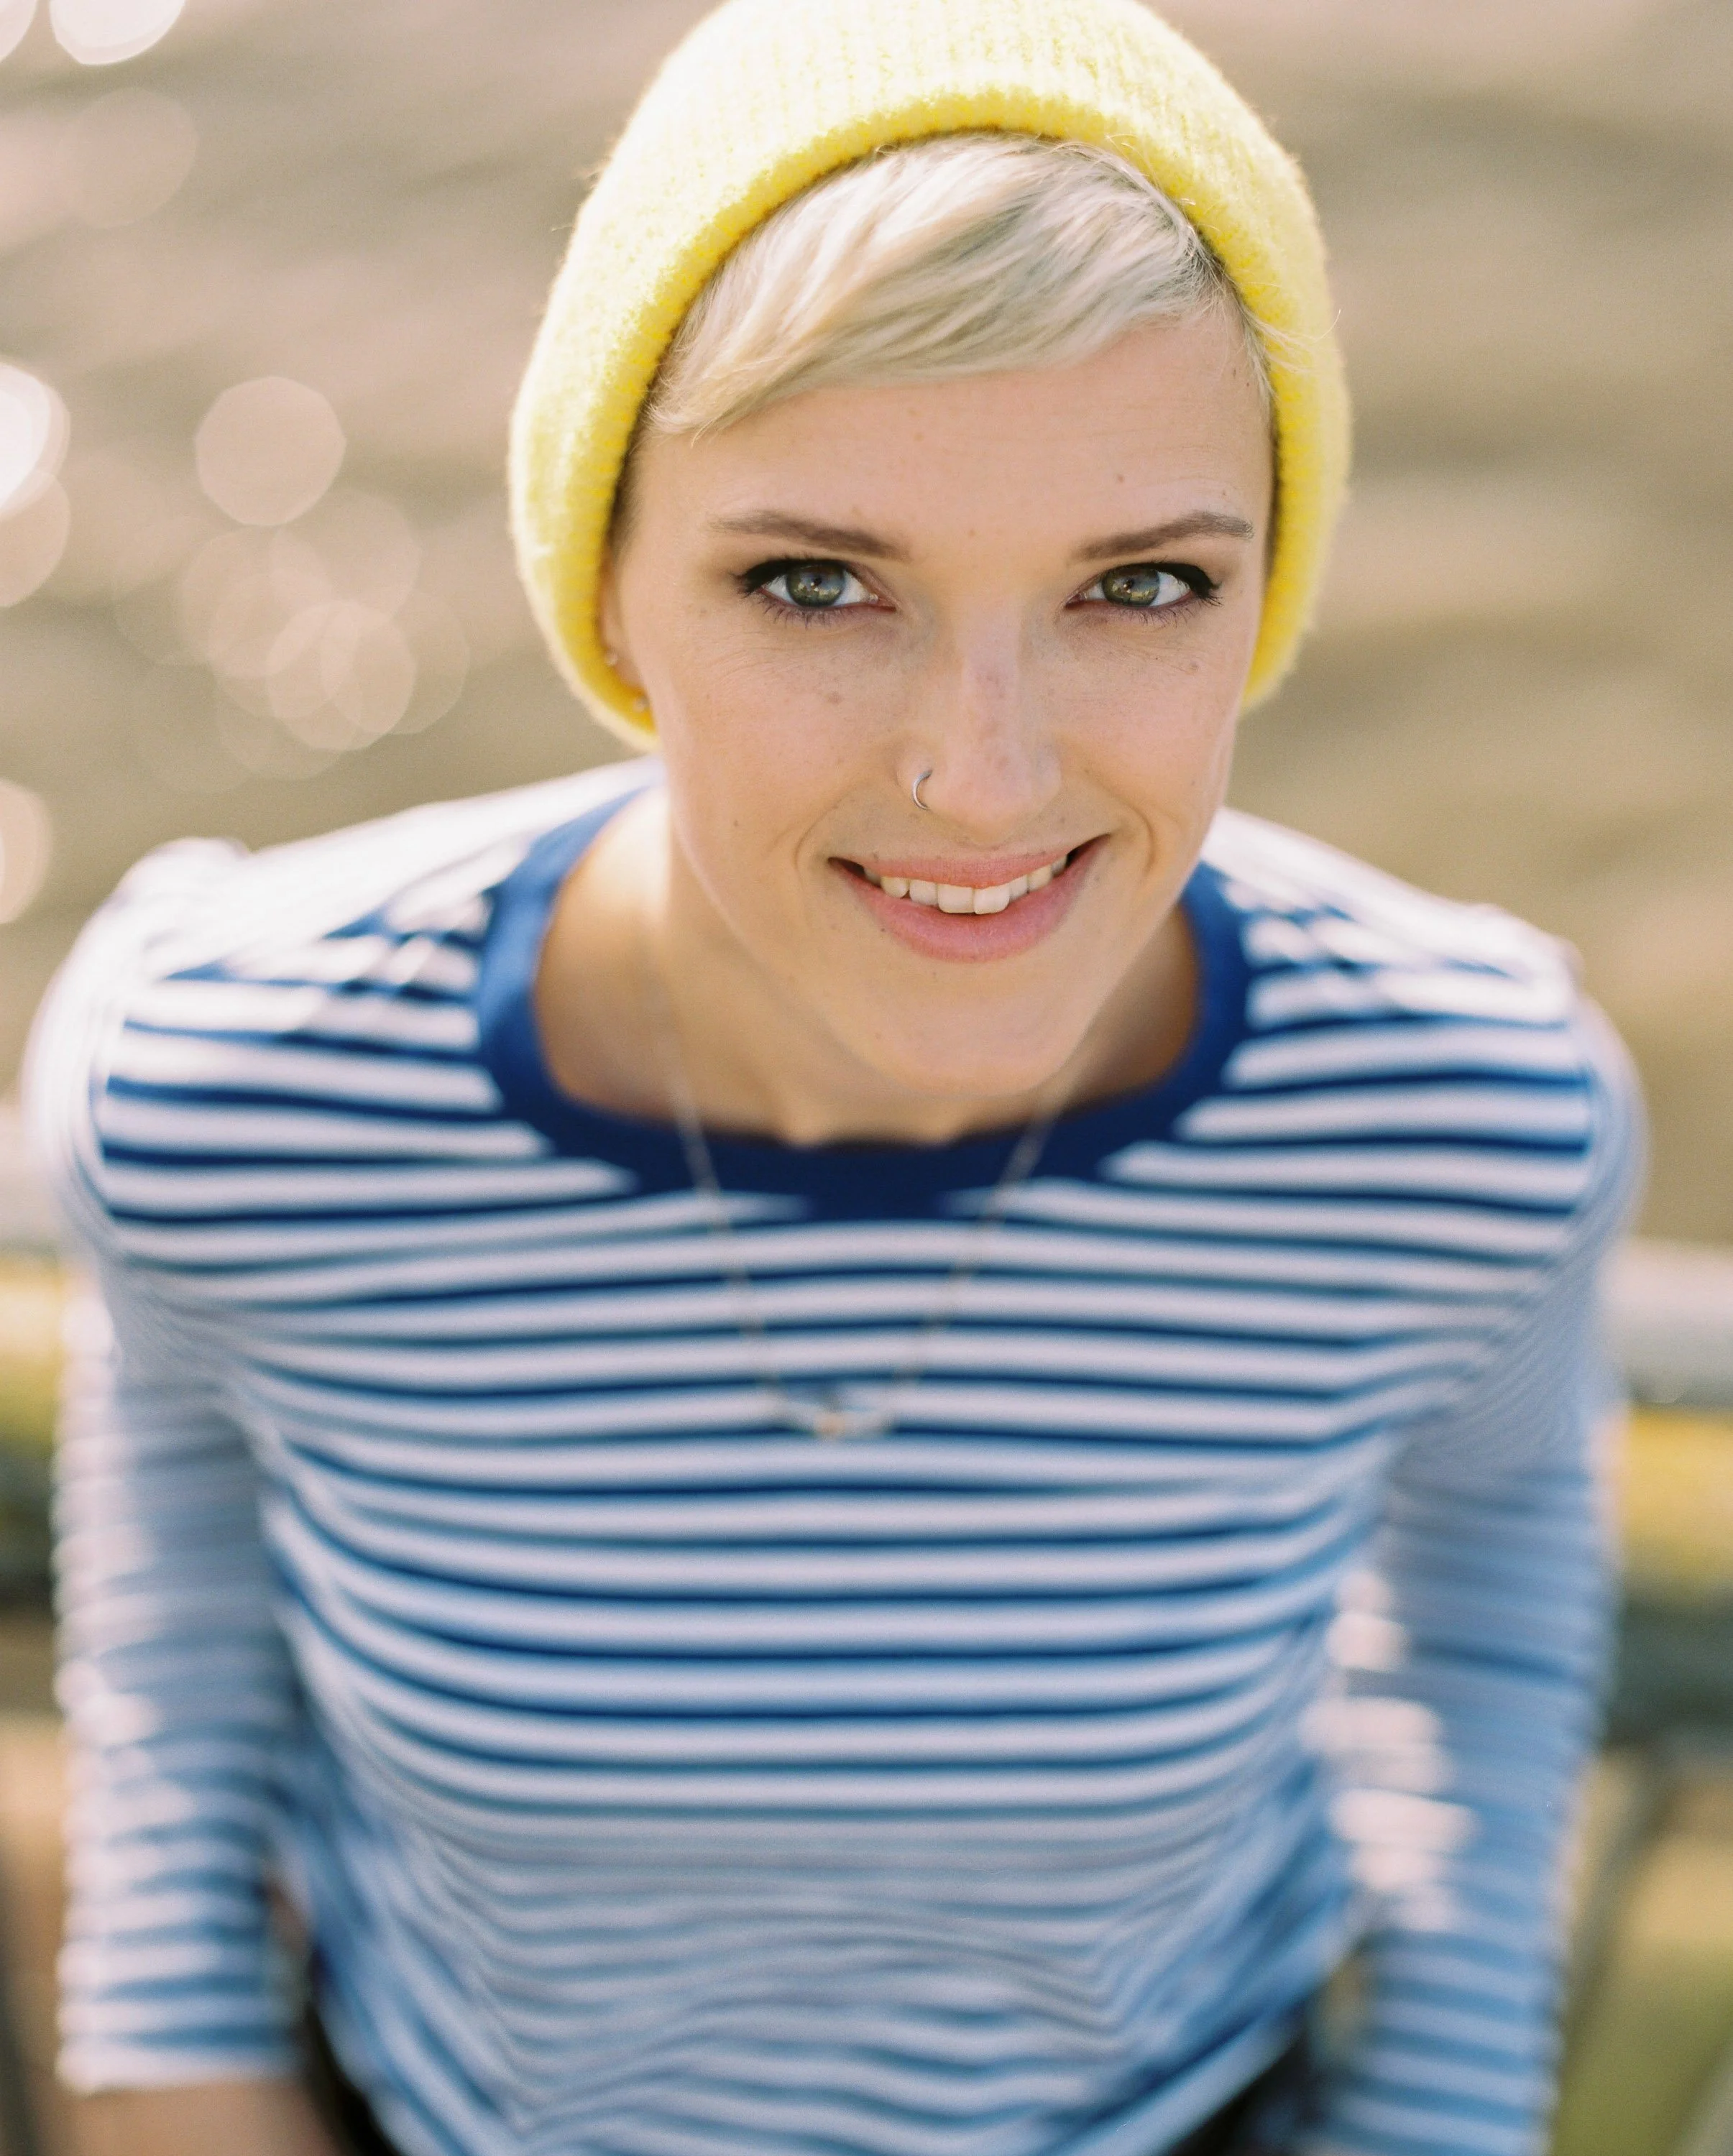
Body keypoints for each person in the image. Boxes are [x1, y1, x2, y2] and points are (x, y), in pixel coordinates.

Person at [28, 0, 1640, 2151]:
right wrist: (173, 2045)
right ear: (604, 578)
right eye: (816, 582)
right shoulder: (234, 1074)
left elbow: (1497, 1566)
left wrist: (1434, 2113)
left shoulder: (1464, 1119)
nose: (981, 775)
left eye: (1140, 585)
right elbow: (190, 1492)